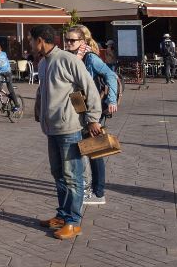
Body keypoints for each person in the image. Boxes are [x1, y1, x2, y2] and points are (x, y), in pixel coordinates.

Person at [32, 24, 103, 241]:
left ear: (41, 40)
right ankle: (62, 216)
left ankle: (73, 221)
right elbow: (42, 91)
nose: (30, 44)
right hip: (51, 128)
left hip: (69, 127)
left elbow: (89, 89)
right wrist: (38, 111)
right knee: (58, 173)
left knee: (73, 176)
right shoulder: (44, 63)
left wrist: (92, 118)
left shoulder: (68, 60)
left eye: (31, 39)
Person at [65, 26, 118, 206]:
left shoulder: (90, 58)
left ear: (82, 41)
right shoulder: (74, 58)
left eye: (72, 40)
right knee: (85, 149)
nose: (68, 43)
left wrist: (112, 100)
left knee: (95, 149)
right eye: (67, 40)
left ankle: (98, 192)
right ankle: (88, 187)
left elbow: (110, 75)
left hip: (92, 110)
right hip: (80, 107)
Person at [0, 43, 21, 111]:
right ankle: (0, 100)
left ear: (0, 50)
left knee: (10, 88)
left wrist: (9, 68)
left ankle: (17, 104)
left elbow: (7, 62)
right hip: (0, 74)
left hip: (7, 73)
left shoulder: (4, 54)